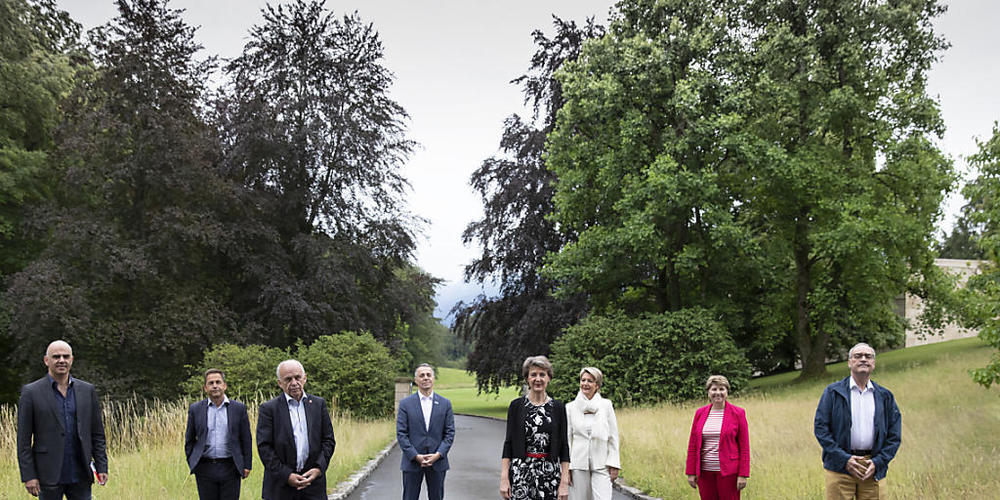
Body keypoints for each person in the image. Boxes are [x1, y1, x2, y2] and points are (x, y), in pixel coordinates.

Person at [16, 340, 109, 499]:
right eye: (56, 356)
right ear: (47, 360)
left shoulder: (87, 391)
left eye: (66, 356)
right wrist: (29, 475)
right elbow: (23, 440)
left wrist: (102, 466)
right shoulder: (31, 392)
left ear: (72, 360)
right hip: (48, 475)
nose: (61, 360)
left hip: (80, 474)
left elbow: (97, 433)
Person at [814, 343, 901, 500]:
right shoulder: (833, 392)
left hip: (872, 468)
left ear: (873, 363)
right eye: (858, 356)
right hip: (839, 467)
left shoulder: (885, 396)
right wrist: (843, 459)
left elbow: (894, 435)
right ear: (849, 362)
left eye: (868, 356)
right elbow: (821, 429)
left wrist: (879, 462)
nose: (863, 359)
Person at [257, 360, 336, 500]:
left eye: (297, 377)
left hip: (313, 486)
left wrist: (318, 469)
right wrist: (286, 475)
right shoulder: (268, 409)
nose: (294, 383)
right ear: (280, 383)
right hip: (280, 487)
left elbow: (328, 440)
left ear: (304, 378)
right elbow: (264, 447)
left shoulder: (318, 405)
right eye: (288, 379)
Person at [500, 355, 571, 500]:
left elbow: (564, 447)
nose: (538, 379)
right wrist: (504, 478)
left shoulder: (558, 407)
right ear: (527, 378)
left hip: (550, 474)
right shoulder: (516, 406)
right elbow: (508, 444)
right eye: (533, 375)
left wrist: (564, 482)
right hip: (521, 473)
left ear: (549, 378)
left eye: (542, 375)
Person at [185, 368, 253, 499]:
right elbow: (189, 439)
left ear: (224, 385)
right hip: (205, 468)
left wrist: (247, 464)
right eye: (211, 383)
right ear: (205, 388)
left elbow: (246, 439)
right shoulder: (196, 409)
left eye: (218, 382)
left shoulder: (238, 409)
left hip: (231, 467)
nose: (215, 386)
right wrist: (193, 462)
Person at [396, 363, 456, 500]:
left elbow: (449, 433)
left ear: (433, 378)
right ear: (416, 380)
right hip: (412, 462)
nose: (425, 378)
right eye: (421, 375)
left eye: (428, 375)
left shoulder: (445, 404)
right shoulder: (406, 404)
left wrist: (438, 454)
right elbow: (401, 434)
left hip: (438, 462)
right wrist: (415, 456)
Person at [685, 375, 750, 500]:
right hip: (704, 473)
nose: (718, 393)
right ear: (708, 392)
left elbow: (744, 447)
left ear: (727, 391)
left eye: (722, 389)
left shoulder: (738, 413)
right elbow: (693, 444)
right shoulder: (700, 413)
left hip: (729, 473)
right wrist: (691, 472)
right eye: (714, 389)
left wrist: (743, 474)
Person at [566, 367, 621, 500]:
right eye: (583, 380)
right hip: (578, 464)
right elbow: (566, 439)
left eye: (590, 381)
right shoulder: (570, 407)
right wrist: (566, 467)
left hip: (602, 464)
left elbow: (613, 437)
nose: (585, 384)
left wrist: (614, 464)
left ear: (597, 385)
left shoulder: (606, 405)